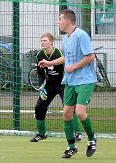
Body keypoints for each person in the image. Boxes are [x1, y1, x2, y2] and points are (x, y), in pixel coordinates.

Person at [39, 9, 97, 158]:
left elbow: (91, 57)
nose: (58, 22)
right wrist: (49, 63)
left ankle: (91, 139)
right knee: (66, 113)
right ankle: (71, 146)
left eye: (60, 19)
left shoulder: (81, 35)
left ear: (68, 21)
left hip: (85, 80)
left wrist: (74, 67)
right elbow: (67, 59)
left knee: (79, 112)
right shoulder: (65, 38)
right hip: (70, 81)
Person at [30, 33, 81, 143]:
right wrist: (41, 86)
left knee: (69, 107)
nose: (42, 42)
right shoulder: (39, 55)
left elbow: (68, 67)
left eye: (45, 40)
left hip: (63, 84)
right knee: (39, 107)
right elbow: (40, 73)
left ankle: (77, 132)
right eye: (41, 41)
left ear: (51, 42)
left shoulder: (59, 53)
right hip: (50, 84)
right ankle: (41, 134)